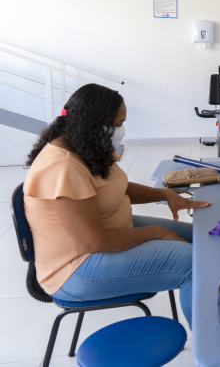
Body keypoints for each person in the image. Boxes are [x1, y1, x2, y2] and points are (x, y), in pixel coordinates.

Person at [23, 84, 210, 329]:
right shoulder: (62, 166)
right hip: (76, 268)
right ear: (93, 124)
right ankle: (212, 348)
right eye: (118, 124)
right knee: (195, 263)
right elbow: (94, 242)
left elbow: (115, 187)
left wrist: (165, 194)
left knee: (204, 239)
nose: (121, 130)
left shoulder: (83, 146)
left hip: (108, 236)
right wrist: (156, 232)